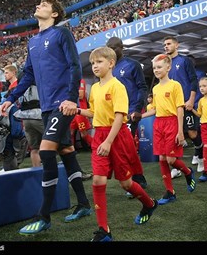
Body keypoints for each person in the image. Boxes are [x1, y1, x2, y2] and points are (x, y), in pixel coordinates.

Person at [0, 0, 91, 234]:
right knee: (66, 152)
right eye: (38, 3)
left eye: (44, 4)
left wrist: (72, 97)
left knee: (45, 151)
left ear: (54, 14)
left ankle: (44, 216)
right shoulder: (32, 42)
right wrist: (11, 98)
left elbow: (74, 66)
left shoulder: (62, 34)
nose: (38, 5)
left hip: (63, 104)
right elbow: (28, 75)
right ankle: (83, 204)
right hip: (47, 107)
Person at [79, 47, 158, 241]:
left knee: (126, 183)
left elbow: (119, 116)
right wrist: (77, 111)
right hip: (100, 136)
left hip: (117, 137)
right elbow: (94, 113)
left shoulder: (117, 86)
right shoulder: (95, 88)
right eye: (93, 63)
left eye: (99, 62)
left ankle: (149, 204)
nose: (95, 66)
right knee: (98, 180)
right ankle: (103, 230)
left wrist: (108, 141)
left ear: (111, 63)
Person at [142, 54, 196, 205]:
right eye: (154, 68)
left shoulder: (175, 85)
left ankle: (188, 172)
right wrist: (140, 116)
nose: (156, 70)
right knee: (162, 159)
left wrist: (180, 131)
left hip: (172, 123)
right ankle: (170, 192)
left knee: (171, 159)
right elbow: (156, 110)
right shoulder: (156, 88)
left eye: (159, 67)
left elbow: (180, 109)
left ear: (168, 67)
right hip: (159, 123)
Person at [106, 37, 148, 189]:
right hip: (115, 115)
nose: (112, 52)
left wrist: (137, 109)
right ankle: (134, 178)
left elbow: (142, 87)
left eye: (114, 48)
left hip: (130, 112)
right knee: (122, 147)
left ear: (121, 47)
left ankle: (137, 180)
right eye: (109, 49)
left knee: (126, 146)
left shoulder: (132, 65)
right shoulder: (109, 69)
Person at [163, 36, 201, 177]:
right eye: (164, 45)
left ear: (176, 45)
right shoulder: (164, 63)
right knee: (174, 135)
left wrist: (191, 100)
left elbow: (193, 81)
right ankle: (176, 167)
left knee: (192, 134)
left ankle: (199, 153)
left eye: (169, 44)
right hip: (172, 106)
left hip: (186, 103)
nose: (166, 46)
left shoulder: (185, 61)